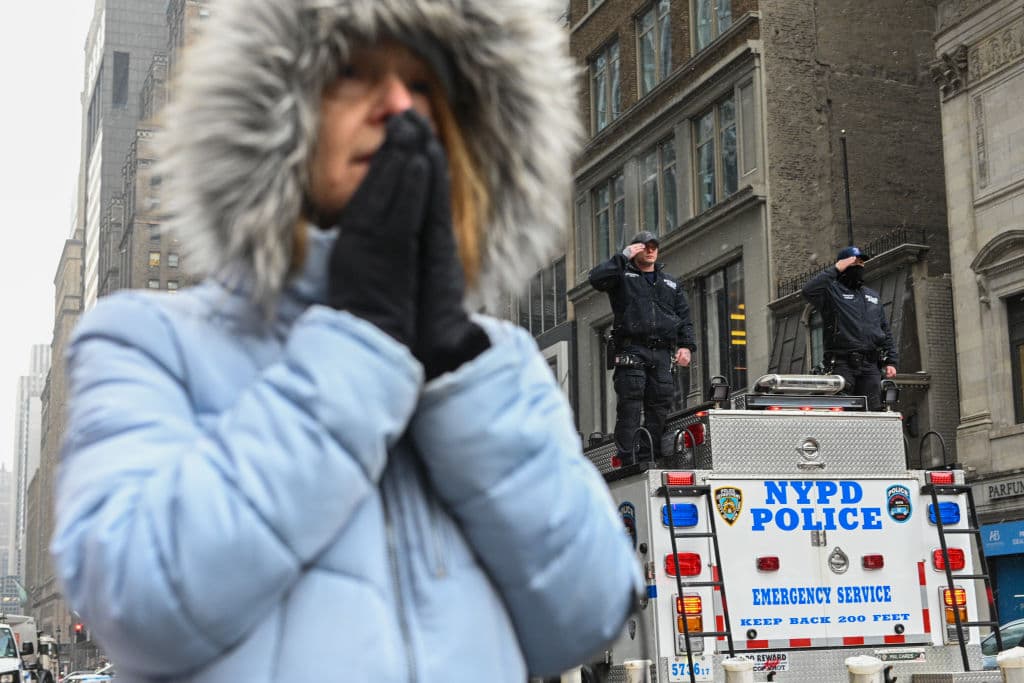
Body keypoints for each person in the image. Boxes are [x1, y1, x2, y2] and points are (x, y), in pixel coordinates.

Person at [49, 1, 641, 681]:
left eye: (423, 85)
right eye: (355, 75)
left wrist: (453, 363)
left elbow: (590, 609)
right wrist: (361, 339)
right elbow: (135, 600)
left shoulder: (493, 362)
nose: (396, 106)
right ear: (278, 116)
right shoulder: (144, 339)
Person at [589, 231, 696, 465]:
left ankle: (650, 458)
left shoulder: (670, 283)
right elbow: (596, 278)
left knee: (659, 408)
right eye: (644, 246)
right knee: (630, 407)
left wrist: (686, 346)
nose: (650, 250)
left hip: (662, 353)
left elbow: (684, 318)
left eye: (654, 246)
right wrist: (622, 257)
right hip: (632, 350)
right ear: (635, 248)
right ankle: (629, 460)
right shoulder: (622, 277)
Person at [802, 245, 898, 410]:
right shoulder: (831, 292)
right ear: (844, 265)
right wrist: (837, 269)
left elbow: (884, 330)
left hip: (870, 365)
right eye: (854, 263)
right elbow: (808, 291)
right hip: (842, 363)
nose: (860, 266)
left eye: (862, 263)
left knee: (873, 411)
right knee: (845, 410)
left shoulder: (872, 296)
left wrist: (891, 361)